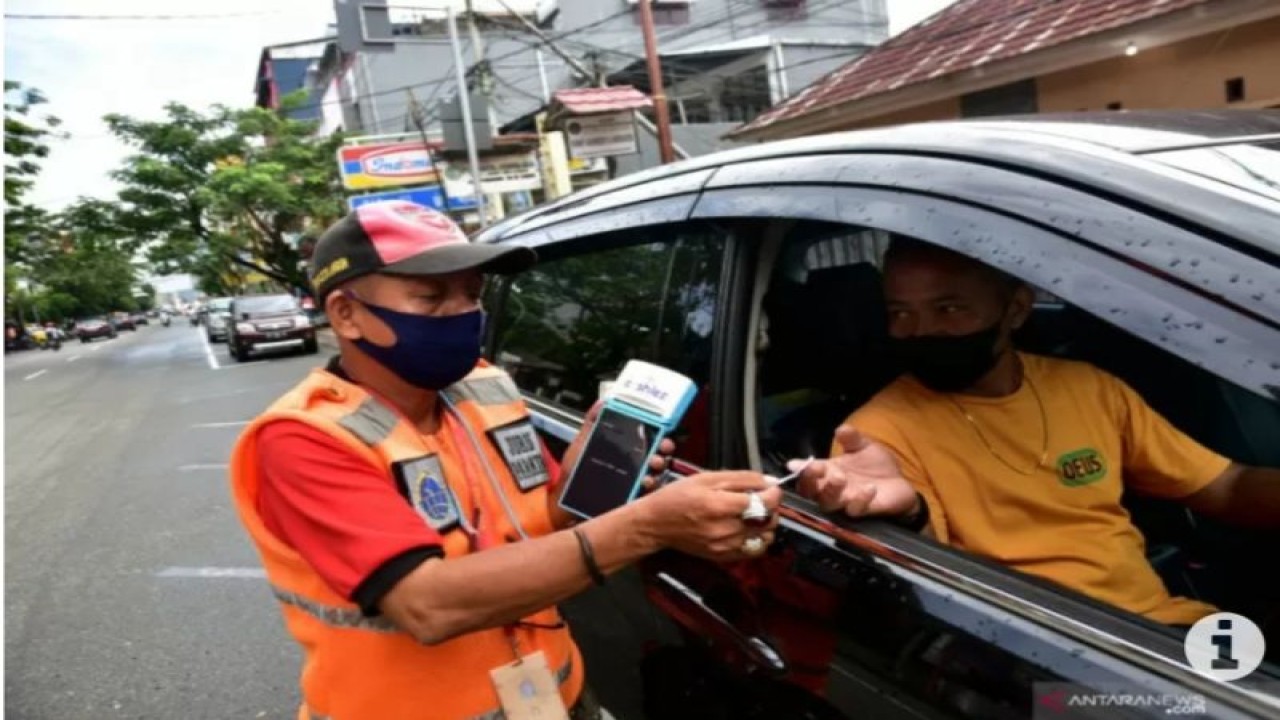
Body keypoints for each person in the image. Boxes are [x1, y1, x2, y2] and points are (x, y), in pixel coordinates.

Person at [229, 201, 782, 720]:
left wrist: (589, 476)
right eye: (430, 296)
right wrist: (646, 527)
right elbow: (428, 605)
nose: (463, 312)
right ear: (347, 314)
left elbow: (538, 519)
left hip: (553, 695)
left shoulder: (483, 387)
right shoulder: (303, 438)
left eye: (472, 293)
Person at [793, 237, 1279, 627]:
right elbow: (927, 583)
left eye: (948, 309)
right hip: (1035, 664)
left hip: (1163, 634)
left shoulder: (1087, 388)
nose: (920, 331)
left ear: (1017, 310)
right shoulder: (872, 437)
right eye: (900, 313)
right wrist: (910, 513)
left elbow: (1225, 485)